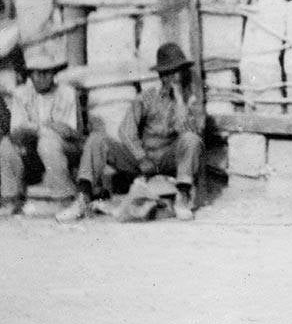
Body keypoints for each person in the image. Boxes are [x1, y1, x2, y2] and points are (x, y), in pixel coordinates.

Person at [57, 42, 203, 223]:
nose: (176, 77)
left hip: (169, 159)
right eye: (170, 72)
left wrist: (180, 100)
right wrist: (141, 157)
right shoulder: (147, 98)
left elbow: (193, 133)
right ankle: (82, 198)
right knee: (97, 140)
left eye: (179, 71)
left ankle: (183, 197)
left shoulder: (191, 100)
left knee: (191, 139)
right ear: (161, 75)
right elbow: (125, 131)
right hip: (141, 159)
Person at [0, 42, 80, 216]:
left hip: (66, 149)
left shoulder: (67, 93)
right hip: (34, 150)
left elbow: (70, 131)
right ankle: (10, 199)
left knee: (48, 142)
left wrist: (39, 129)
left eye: (47, 72)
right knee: (6, 144)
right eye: (37, 73)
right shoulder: (22, 94)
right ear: (30, 75)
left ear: (53, 74)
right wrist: (44, 128)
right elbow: (17, 131)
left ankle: (64, 199)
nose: (42, 77)